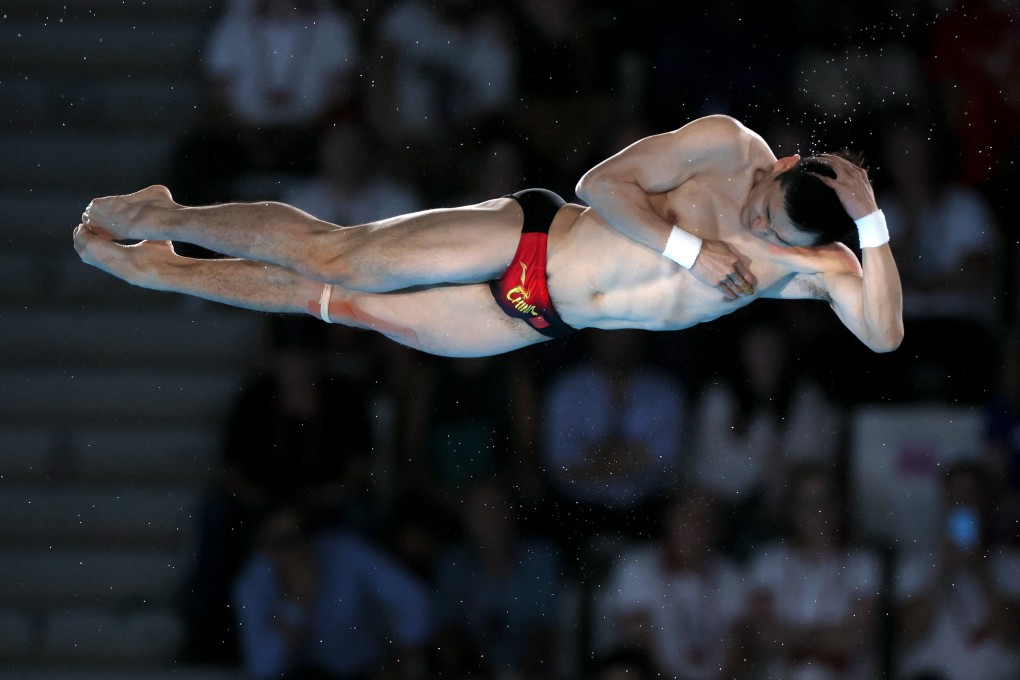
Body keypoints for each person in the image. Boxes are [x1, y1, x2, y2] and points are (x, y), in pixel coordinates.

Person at [74, 115, 904, 358]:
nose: (756, 221)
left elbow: (884, 335)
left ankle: (163, 273)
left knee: (328, 302)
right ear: (782, 163)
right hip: (529, 241)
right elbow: (599, 187)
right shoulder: (728, 150)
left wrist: (872, 227)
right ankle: (164, 214)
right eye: (763, 203)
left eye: (772, 231)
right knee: (339, 253)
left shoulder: (817, 267)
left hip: (533, 319)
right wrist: (689, 247)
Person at [233, 507, 432, 680]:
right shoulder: (252, 583)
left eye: (300, 535)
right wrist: (297, 602)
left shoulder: (343, 550)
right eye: (283, 542)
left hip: (365, 669)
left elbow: (413, 598)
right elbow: (262, 668)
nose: (297, 550)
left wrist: (403, 660)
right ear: (263, 547)